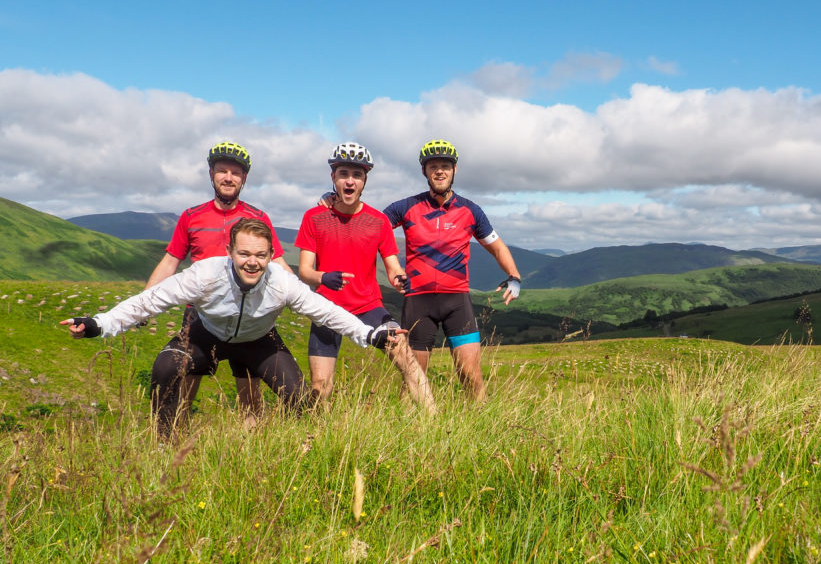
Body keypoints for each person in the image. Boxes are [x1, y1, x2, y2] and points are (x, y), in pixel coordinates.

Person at [62, 219, 399, 437]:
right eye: (244, 253)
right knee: (165, 367)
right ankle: (164, 447)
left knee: (299, 398)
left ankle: (305, 453)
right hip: (205, 333)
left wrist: (370, 335)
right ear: (230, 252)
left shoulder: (281, 282)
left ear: (271, 256)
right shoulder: (205, 274)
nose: (252, 261)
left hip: (258, 339)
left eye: (261, 255)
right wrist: (98, 324)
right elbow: (150, 301)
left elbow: (326, 311)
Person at [145, 141, 292, 419]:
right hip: (200, 314)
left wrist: (302, 299)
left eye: (235, 173)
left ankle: (252, 454)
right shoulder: (191, 217)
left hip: (248, 314)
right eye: (222, 171)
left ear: (244, 178)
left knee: (249, 393)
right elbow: (170, 261)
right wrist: (146, 304)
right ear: (211, 174)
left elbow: (278, 262)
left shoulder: (258, 218)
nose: (228, 177)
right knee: (186, 388)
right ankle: (177, 453)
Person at [296, 143, 433, 410]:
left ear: (364, 180)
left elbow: (393, 268)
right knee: (319, 387)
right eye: (343, 173)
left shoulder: (378, 221)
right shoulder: (314, 217)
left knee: (405, 355)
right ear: (333, 178)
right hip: (326, 307)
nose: (350, 180)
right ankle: (320, 440)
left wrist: (399, 279)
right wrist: (324, 278)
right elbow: (304, 272)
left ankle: (436, 423)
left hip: (368, 306)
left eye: (356, 175)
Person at [382, 139, 522, 400]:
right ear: (424, 171)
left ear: (454, 170)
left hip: (456, 300)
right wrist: (333, 201)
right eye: (433, 166)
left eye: (445, 165)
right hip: (417, 302)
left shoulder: (470, 210)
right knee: (413, 380)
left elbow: (497, 246)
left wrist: (514, 276)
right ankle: (408, 434)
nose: (439, 171)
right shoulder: (406, 207)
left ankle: (482, 430)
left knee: (471, 376)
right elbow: (371, 227)